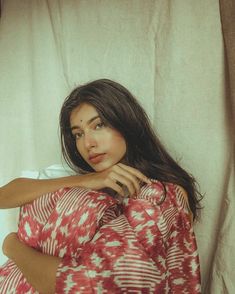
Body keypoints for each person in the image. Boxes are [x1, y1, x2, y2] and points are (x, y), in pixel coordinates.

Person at [0, 79, 202, 293]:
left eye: (99, 125)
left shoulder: (158, 196)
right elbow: (5, 196)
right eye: (78, 134)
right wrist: (83, 180)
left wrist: (12, 247)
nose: (88, 144)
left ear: (126, 123)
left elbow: (83, 284)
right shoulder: (88, 181)